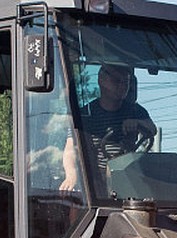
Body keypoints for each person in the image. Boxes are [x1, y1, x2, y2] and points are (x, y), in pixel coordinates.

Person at [60, 63, 156, 191]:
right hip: (93, 181)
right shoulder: (86, 115)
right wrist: (71, 175)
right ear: (101, 80)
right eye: (117, 81)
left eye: (126, 82)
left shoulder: (135, 111)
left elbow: (152, 129)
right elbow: (71, 149)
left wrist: (138, 123)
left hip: (127, 175)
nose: (122, 86)